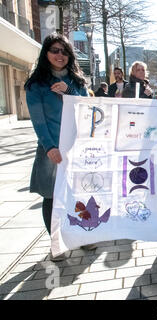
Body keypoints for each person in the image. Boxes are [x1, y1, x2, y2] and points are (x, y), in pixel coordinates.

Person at [24, 33, 96, 261]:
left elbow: (86, 109)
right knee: (52, 196)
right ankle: (57, 242)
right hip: (51, 149)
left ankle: (83, 236)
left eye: (64, 51)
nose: (59, 55)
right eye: (55, 50)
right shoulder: (36, 85)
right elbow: (38, 120)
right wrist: (49, 147)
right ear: (46, 53)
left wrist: (69, 92)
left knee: (79, 192)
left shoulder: (78, 82)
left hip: (76, 147)